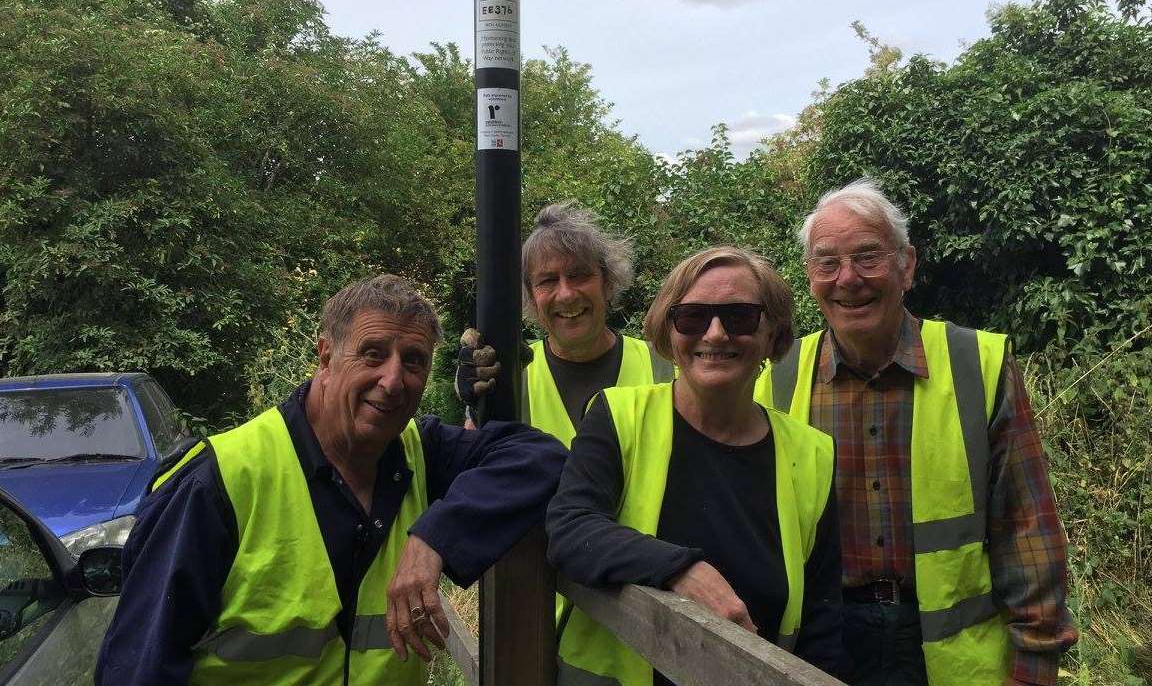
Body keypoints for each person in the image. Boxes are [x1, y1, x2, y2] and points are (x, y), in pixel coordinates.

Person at [95, 274, 567, 685]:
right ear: (325, 357)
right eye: (373, 353)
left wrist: (434, 538)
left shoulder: (419, 452)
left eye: (414, 360)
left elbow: (540, 456)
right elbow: (138, 668)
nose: (393, 379)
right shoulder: (217, 481)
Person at [755, 179, 1077, 686]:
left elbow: (1026, 526)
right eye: (827, 263)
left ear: (907, 266)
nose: (848, 279)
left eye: (868, 257)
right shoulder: (777, 376)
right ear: (809, 277)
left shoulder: (978, 364)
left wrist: (1036, 660)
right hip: (821, 645)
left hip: (952, 655)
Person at [548, 247, 843, 686]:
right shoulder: (619, 414)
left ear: (772, 334)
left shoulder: (813, 453)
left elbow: (823, 621)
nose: (716, 333)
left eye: (740, 316)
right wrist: (681, 569)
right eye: (692, 317)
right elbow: (570, 528)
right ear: (668, 331)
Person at [457, 201, 673, 446]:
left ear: (608, 282)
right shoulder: (511, 373)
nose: (566, 294)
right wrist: (478, 409)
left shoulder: (667, 366)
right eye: (548, 280)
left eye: (579, 275)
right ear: (531, 296)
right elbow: (476, 464)